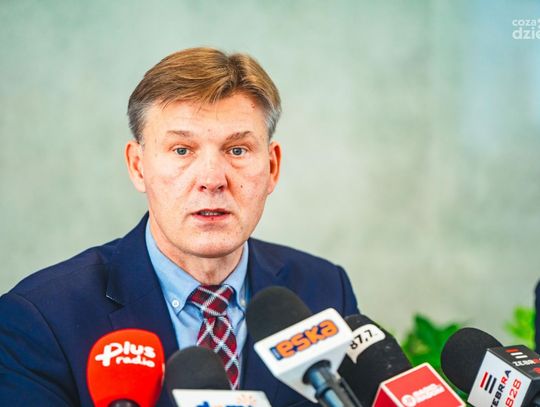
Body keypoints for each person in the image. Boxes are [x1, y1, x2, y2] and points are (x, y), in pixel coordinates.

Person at [0, 47, 359, 406]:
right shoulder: (40, 319)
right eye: (182, 150)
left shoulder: (326, 290)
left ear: (272, 166)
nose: (212, 180)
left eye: (237, 150)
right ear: (138, 166)